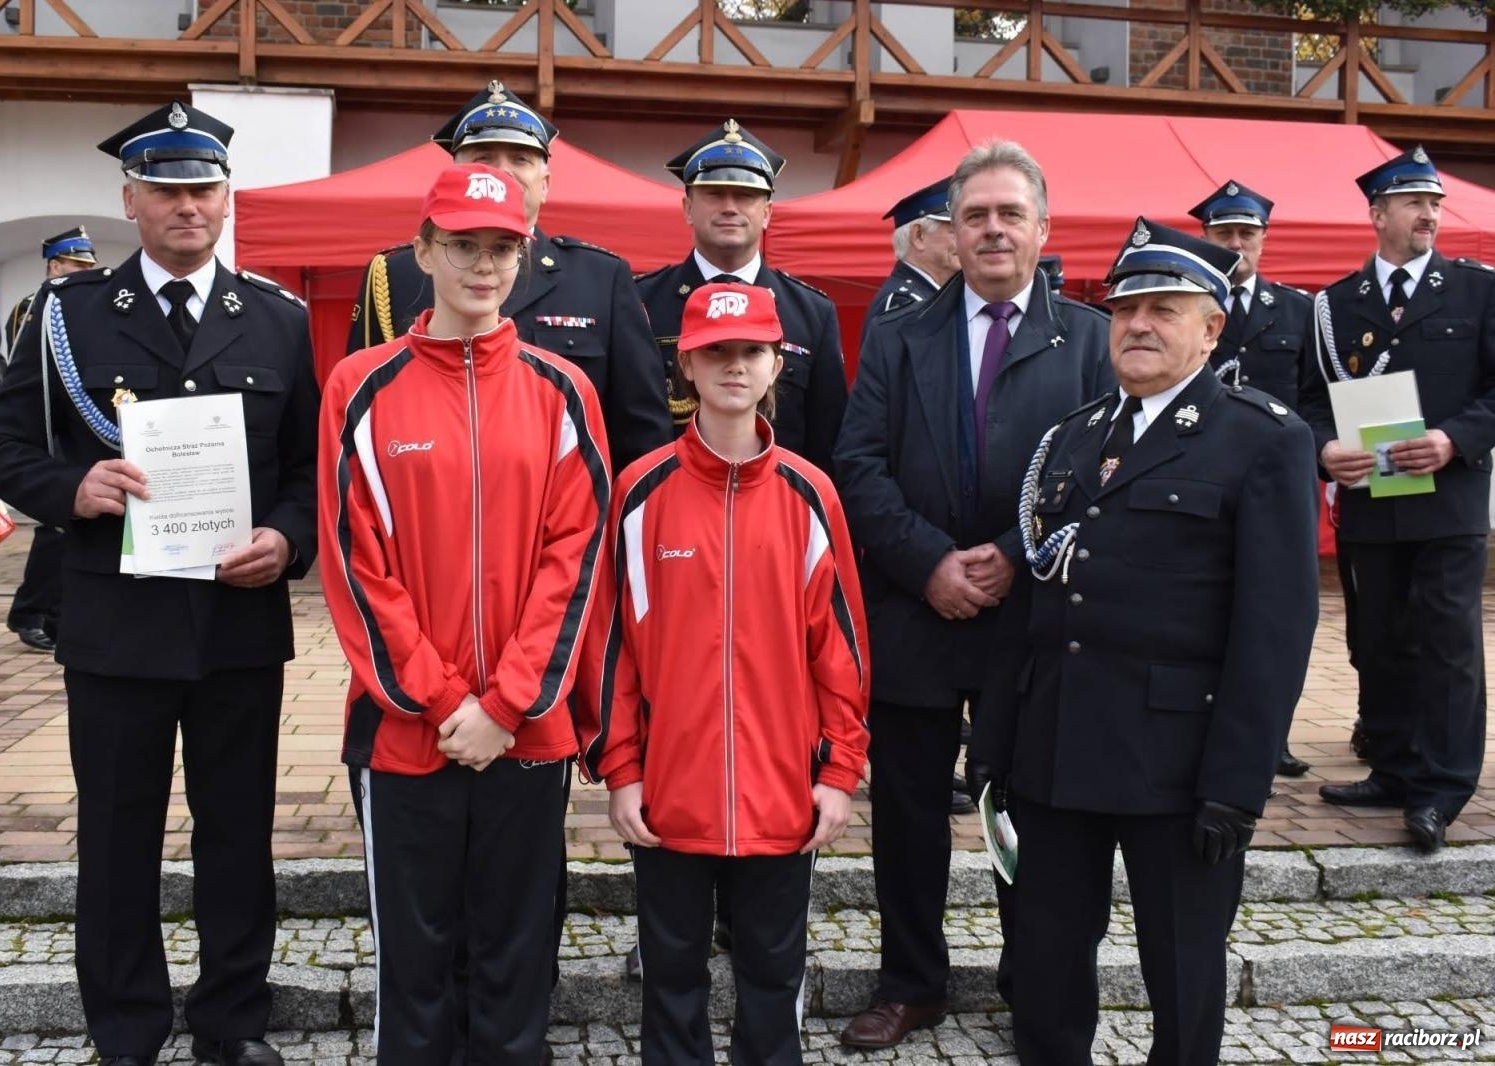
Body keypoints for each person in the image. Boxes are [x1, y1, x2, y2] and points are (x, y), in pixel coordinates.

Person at [0, 100, 318, 1066]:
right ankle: (125, 1029)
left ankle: (231, 1023)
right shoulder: (66, 315)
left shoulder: (279, 320)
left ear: (226, 197)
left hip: (237, 621)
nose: (186, 206)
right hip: (115, 624)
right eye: (164, 189)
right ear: (132, 197)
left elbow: (306, 473)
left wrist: (287, 544)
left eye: (203, 188)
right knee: (118, 841)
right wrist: (72, 486)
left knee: (238, 838)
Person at [973, 217, 1318, 1065]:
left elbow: (1275, 628)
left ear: (1213, 327)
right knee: (1048, 962)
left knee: (1182, 969)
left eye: (1167, 308)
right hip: (1056, 751)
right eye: (1126, 308)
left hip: (1179, 763)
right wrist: (995, 745)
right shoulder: (1075, 435)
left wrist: (1237, 785)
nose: (1139, 325)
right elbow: (1033, 602)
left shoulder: (1263, 438)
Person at [319, 163, 610, 1066]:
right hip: (409, 734)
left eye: (501, 248)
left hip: (528, 732)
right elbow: (356, 566)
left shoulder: (565, 390)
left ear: (522, 257)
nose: (483, 266)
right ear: (424, 251)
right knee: (417, 961)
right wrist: (450, 704)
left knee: (519, 956)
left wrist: (509, 701)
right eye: (463, 246)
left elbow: (578, 558)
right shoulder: (360, 387)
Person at [834, 139, 1113, 1049]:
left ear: (1042, 228)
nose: (992, 230)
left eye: (1009, 214)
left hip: (1031, 619)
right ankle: (912, 982)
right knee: (908, 814)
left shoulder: (1091, 342)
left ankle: (1032, 978)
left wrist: (1005, 553)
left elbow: (1106, 477)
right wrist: (930, 565)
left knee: (1025, 810)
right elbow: (858, 464)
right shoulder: (897, 333)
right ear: (949, 232)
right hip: (916, 610)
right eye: (974, 215)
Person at [576, 281, 870, 1066]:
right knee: (671, 973)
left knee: (773, 973)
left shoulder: (812, 495)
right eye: (716, 352)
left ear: (777, 364)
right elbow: (610, 648)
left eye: (751, 351)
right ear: (687, 368)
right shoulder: (640, 493)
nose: (734, 366)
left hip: (781, 788)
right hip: (670, 788)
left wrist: (840, 770)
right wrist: (622, 769)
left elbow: (839, 649)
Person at [1301, 147, 1495, 855]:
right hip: (1372, 503)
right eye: (1415, 203)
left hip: (1449, 503)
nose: (1431, 215)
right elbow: (1308, 403)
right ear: (1378, 214)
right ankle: (1392, 765)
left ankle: (1441, 788)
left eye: (1436, 204)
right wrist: (1324, 448)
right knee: (1375, 638)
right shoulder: (1334, 305)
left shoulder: (1479, 291)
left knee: (1446, 646)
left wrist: (1452, 439)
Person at [347, 79, 667, 473]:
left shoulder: (602, 278)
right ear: (452, 175)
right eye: (484, 157)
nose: (502, 172)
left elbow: (641, 438)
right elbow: (359, 424)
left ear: (545, 184)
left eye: (520, 159)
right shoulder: (396, 274)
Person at [1189, 179, 1314, 779]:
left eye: (1247, 234)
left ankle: (1275, 730)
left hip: (1274, 477)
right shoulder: (1185, 305)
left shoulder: (1299, 310)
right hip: (1199, 470)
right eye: (1224, 234)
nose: (1236, 244)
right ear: (1205, 238)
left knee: (1276, 603)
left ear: (1264, 240)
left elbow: (1317, 396)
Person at [638, 120, 847, 474]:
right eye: (715, 194)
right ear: (687, 208)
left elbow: (829, 439)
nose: (730, 207)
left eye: (745, 195)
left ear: (766, 213)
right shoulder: (640, 301)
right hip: (667, 501)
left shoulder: (812, 312)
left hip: (781, 507)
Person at [1, 226, 103, 654]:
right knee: (54, 528)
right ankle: (30, 611)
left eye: (88, 266)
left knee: (64, 530)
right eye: (77, 265)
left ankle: (55, 614)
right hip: (49, 430)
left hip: (76, 429)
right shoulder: (36, 306)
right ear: (54, 266)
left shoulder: (82, 305)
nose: (85, 272)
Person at [860, 177, 959, 346]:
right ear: (918, 236)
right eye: (954, 230)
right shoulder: (903, 302)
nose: (967, 239)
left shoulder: (933, 297)